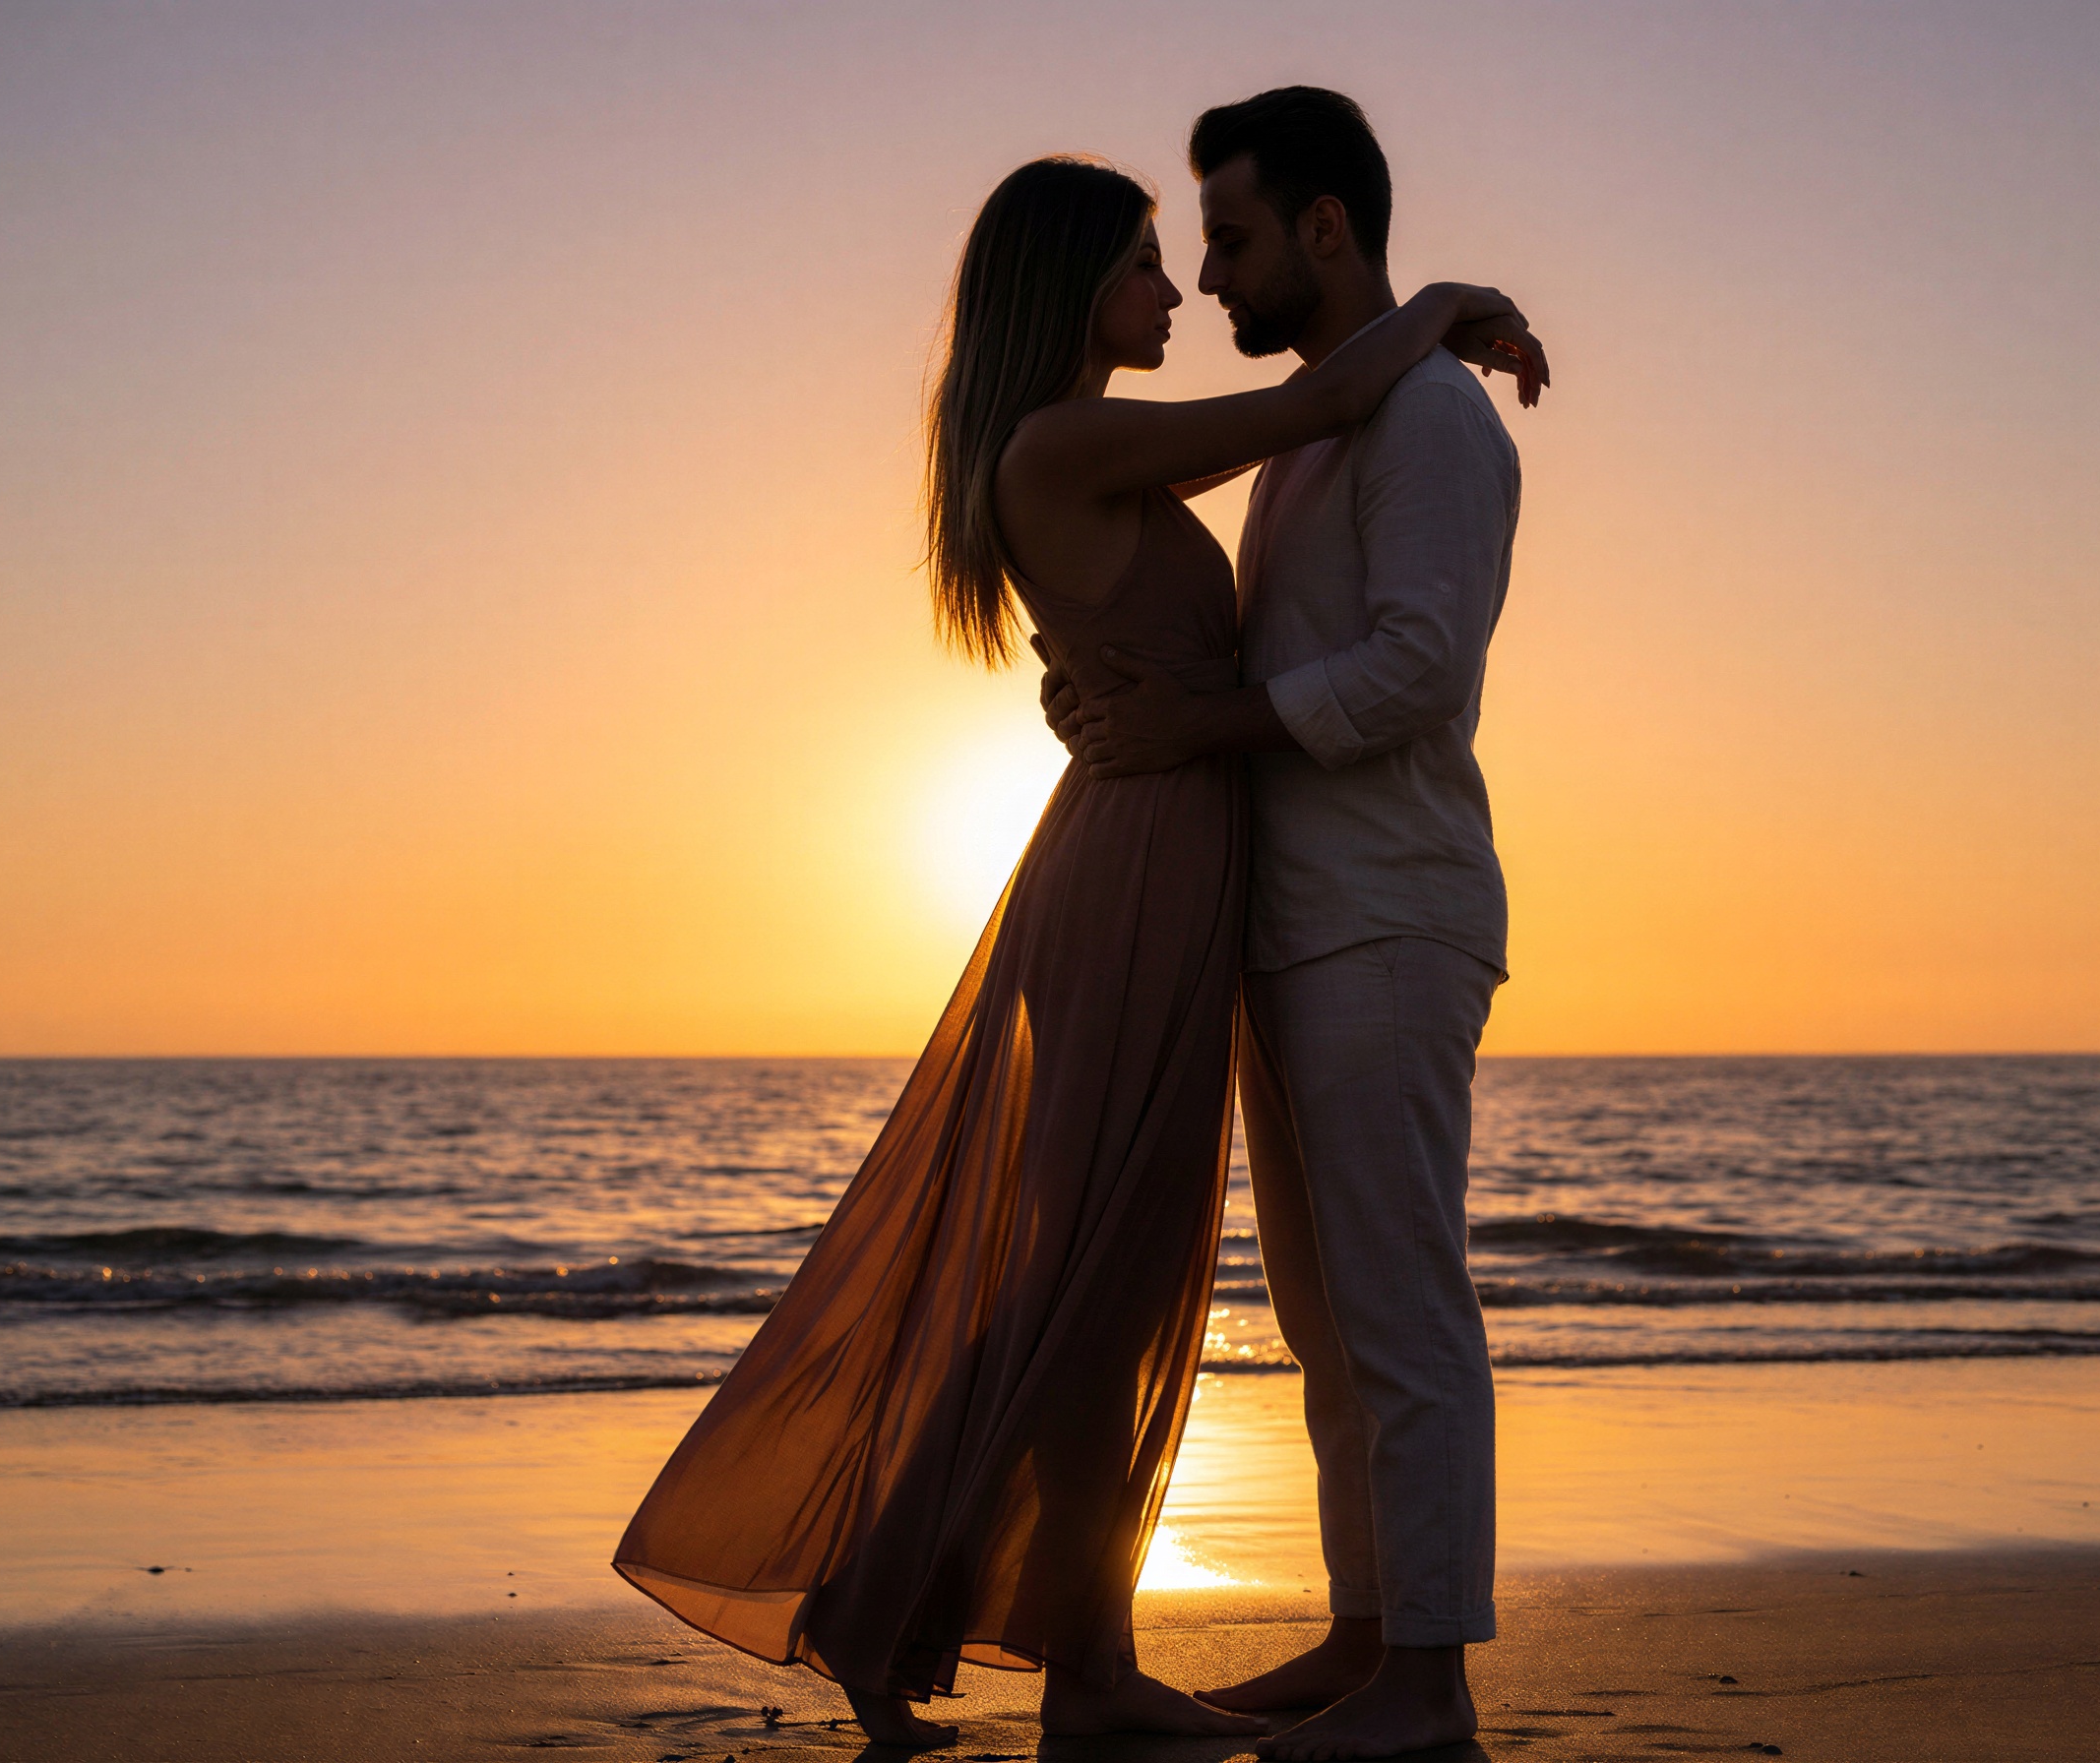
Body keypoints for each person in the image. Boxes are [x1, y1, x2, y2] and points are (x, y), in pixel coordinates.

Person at [615, 152, 1544, 1750]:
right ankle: (940, 1623)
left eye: (1199, 251)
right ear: (1066, 289)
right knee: (1080, 1275)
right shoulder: (1075, 441)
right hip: (1133, 888)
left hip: (1191, 884)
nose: (1177, 290)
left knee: (1099, 1276)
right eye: (1142, 264)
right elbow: (1306, 413)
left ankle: (1081, 1664)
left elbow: (1248, 582)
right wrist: (1448, 301)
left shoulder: (1095, 454)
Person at [1043, 89, 1533, 1761]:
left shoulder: (1435, 429)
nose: (1213, 277)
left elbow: (1416, 671)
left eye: (1235, 239)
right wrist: (1118, 693)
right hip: (1291, 924)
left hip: (1391, 921)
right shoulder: (1328, 429)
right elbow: (1259, 661)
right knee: (1329, 1327)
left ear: (1327, 228)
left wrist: (1200, 731)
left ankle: (1433, 1684)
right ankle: (1365, 1636)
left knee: (1402, 1311)